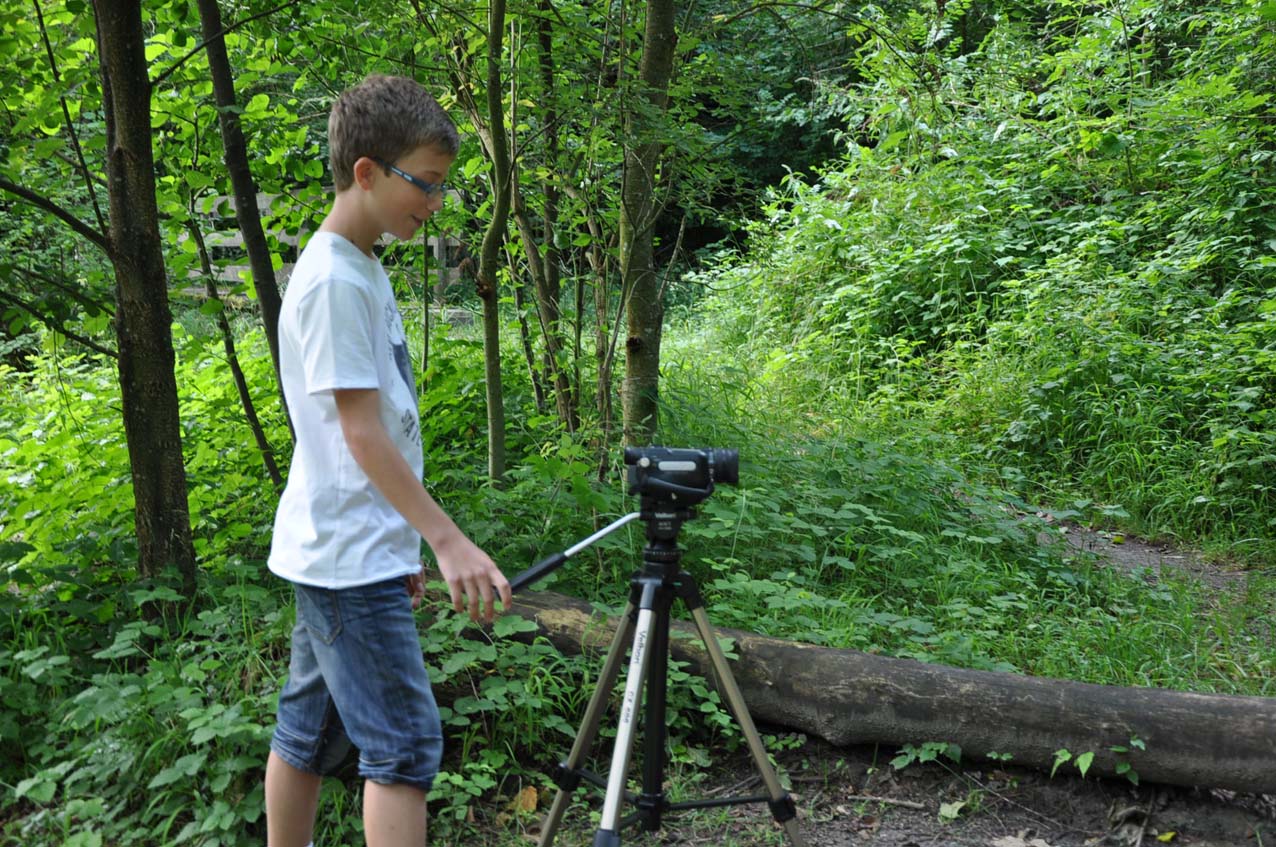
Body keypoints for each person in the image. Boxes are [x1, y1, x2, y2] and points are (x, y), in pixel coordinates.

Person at [263, 74, 512, 847]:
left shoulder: (360, 264)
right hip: (346, 556)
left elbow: (369, 438)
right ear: (367, 172)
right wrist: (446, 539)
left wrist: (401, 542)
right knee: (402, 747)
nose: (435, 203)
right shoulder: (336, 279)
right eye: (425, 183)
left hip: (348, 545)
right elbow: (362, 434)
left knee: (308, 730)